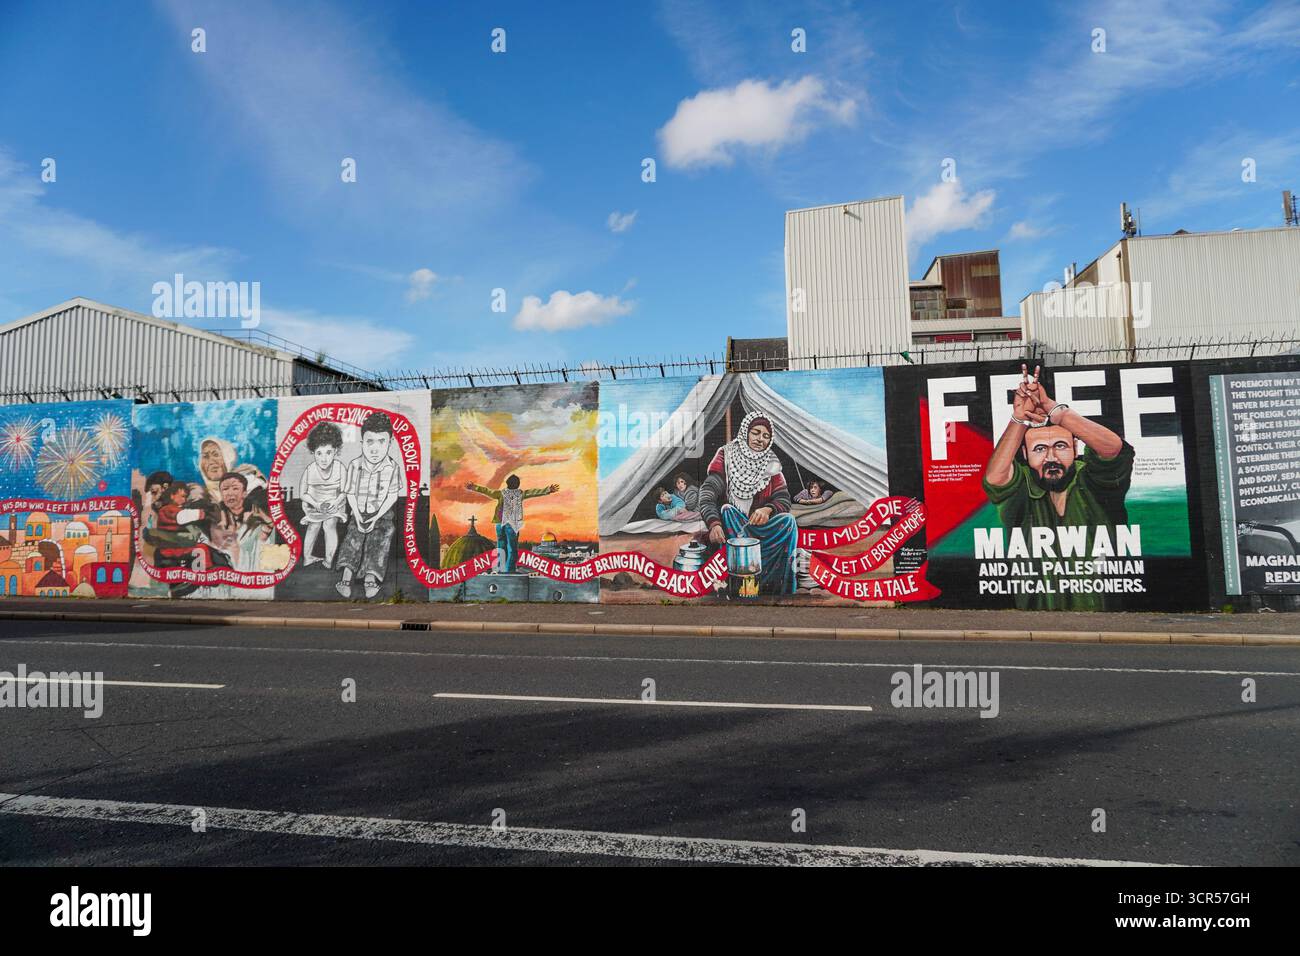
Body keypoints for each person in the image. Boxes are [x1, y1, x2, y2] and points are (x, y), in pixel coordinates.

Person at [983, 364, 1133, 611]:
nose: (1050, 457)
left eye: (1061, 446)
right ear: (1025, 454)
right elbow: (995, 478)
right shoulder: (1023, 485)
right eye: (1040, 449)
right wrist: (1019, 418)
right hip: (1034, 613)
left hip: (1103, 613)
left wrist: (1056, 410)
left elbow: (1112, 449)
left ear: (1075, 449)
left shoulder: (1092, 480)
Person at [698, 411, 798, 594]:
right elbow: (707, 493)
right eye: (756, 432)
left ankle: (777, 588)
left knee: (788, 521)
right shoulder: (726, 455)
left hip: (760, 529)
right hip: (732, 529)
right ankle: (741, 582)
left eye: (766, 436)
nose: (761, 439)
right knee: (727, 509)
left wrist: (768, 509)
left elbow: (783, 498)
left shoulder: (772, 463)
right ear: (745, 432)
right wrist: (713, 524)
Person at [336, 412, 404, 599]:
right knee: (353, 539)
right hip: (358, 511)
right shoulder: (355, 465)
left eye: (381, 442)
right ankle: (346, 577)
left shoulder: (392, 468)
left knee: (380, 541)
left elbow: (392, 495)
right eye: (370, 442)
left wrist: (376, 516)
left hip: (382, 514)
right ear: (362, 443)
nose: (375, 449)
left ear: (389, 443)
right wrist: (357, 515)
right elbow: (350, 492)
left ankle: (370, 578)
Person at [465, 475, 559, 573]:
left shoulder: (501, 494)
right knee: (512, 548)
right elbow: (533, 492)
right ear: (518, 485)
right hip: (512, 525)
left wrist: (474, 487)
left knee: (501, 546)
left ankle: (500, 569)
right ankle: (509, 570)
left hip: (499, 524)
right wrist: (548, 490)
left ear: (507, 484)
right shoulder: (520, 494)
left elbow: (487, 491)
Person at [298, 422, 347, 568]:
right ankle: (307, 557)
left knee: (329, 525)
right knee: (313, 526)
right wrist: (316, 504)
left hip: (334, 503)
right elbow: (302, 494)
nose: (324, 458)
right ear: (313, 452)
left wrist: (335, 503)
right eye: (319, 453)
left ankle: (328, 560)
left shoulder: (340, 468)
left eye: (328, 452)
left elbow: (344, 492)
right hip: (314, 503)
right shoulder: (310, 470)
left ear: (336, 451)